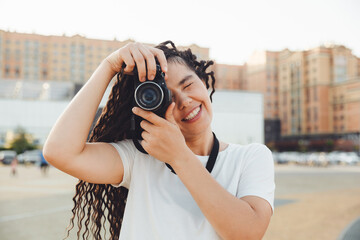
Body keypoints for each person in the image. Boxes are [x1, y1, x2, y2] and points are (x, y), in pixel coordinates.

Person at [43, 41, 275, 240]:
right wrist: (109, 66)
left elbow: (248, 232)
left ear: (204, 81)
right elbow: (60, 151)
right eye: (168, 96)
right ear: (148, 106)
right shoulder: (138, 158)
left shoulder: (251, 157)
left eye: (188, 84)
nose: (184, 101)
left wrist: (179, 156)